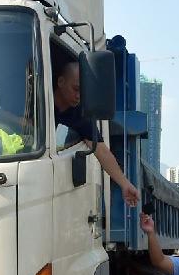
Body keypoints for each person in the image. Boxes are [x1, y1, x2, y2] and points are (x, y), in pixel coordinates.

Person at [54, 61, 139, 206]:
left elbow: (102, 151)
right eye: (75, 89)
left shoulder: (80, 115)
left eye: (83, 92)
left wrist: (125, 184)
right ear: (61, 82)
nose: (78, 96)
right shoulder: (37, 101)